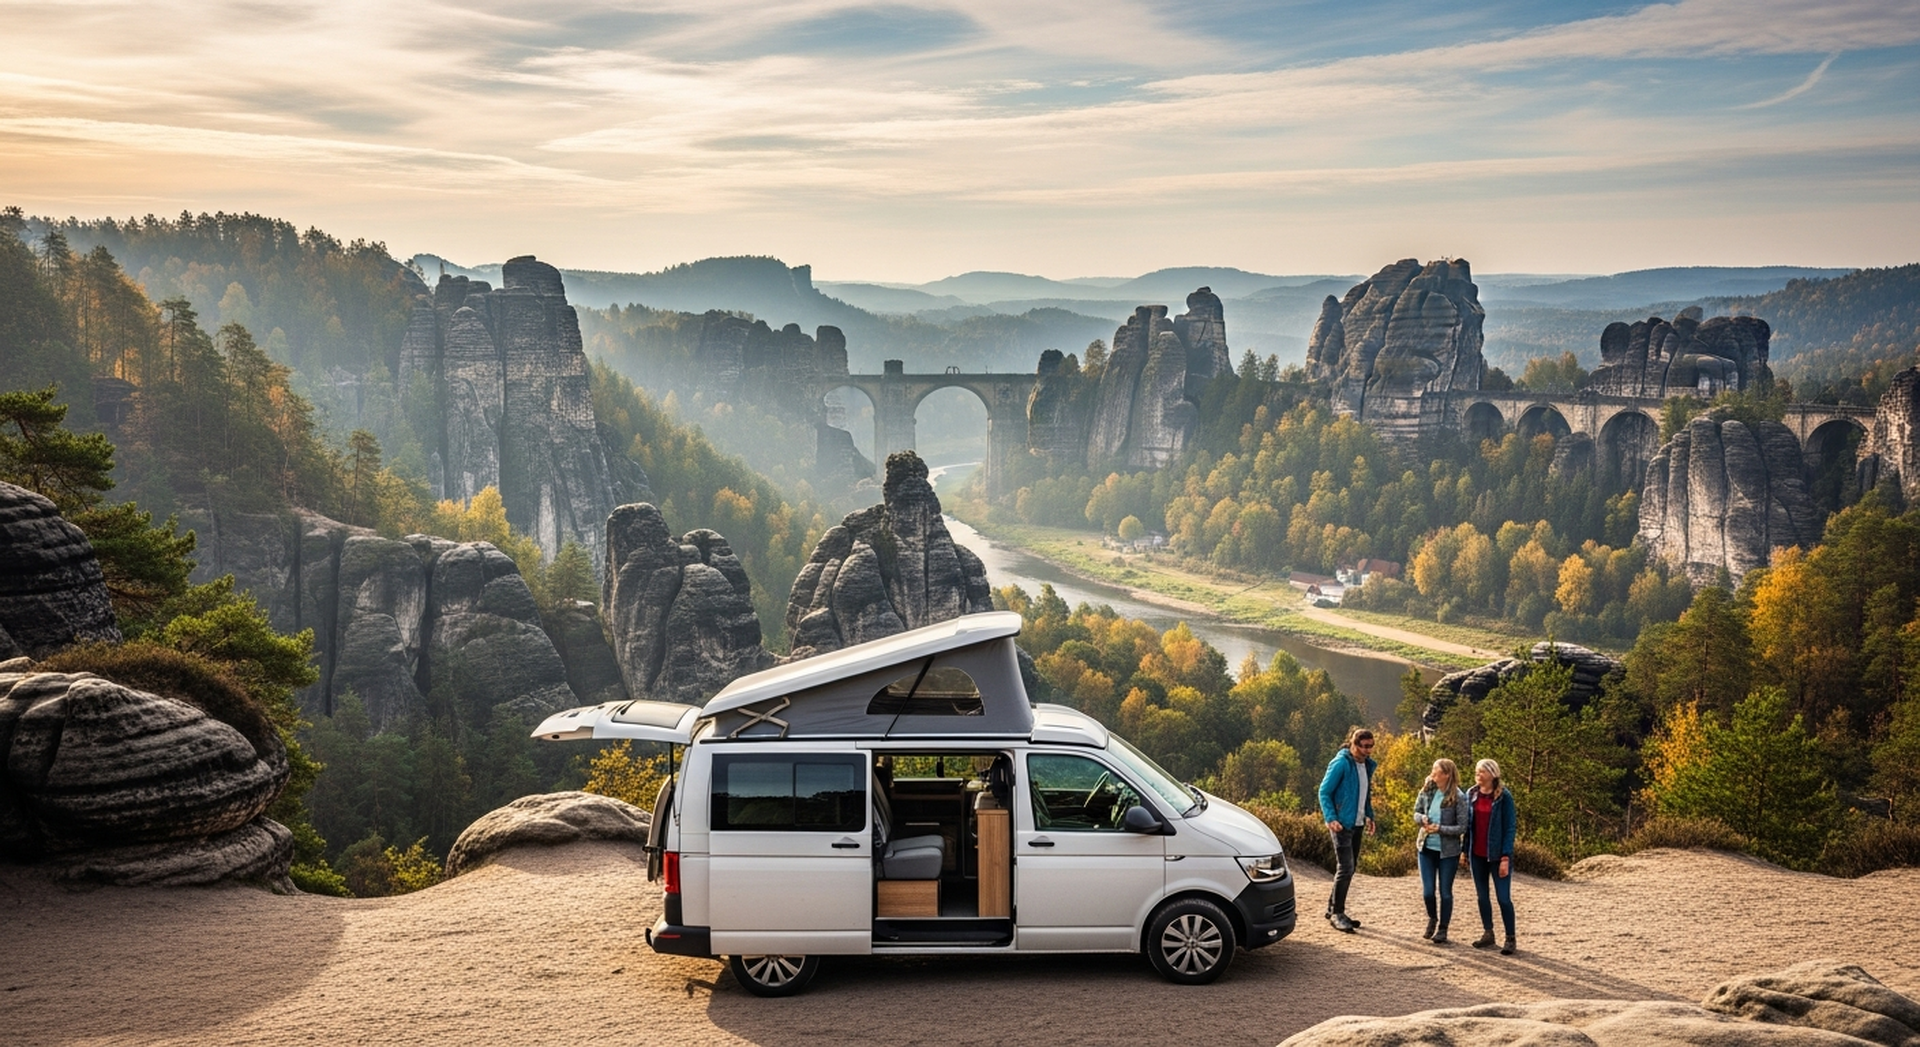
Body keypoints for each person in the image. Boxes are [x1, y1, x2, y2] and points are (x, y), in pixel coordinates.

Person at [1317, 727, 1377, 933]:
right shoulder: (1341, 763)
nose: (1368, 750)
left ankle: (1332, 909)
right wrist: (1331, 818)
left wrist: (1369, 815)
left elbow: (1365, 794)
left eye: (1371, 746)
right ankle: (1337, 913)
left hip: (1357, 822)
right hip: (1341, 823)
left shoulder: (1367, 765)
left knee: (1350, 867)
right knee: (1346, 868)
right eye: (1365, 746)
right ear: (1354, 744)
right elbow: (1324, 792)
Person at [1465, 757, 1518, 955]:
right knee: (1482, 897)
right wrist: (1464, 850)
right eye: (1477, 771)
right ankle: (1488, 933)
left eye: (1482, 771)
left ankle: (1510, 938)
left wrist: (1505, 857)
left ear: (1492, 774)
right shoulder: (1471, 794)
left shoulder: (1504, 796)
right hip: (1476, 854)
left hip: (1498, 856)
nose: (1478, 774)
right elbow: (1468, 825)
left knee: (1503, 898)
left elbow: (1510, 828)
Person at [1413, 758, 1467, 944]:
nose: (1432, 774)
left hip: (1448, 853)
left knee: (1445, 892)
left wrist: (1440, 829)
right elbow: (1416, 812)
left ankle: (1443, 929)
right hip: (1426, 848)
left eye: (1436, 771)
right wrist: (1422, 819)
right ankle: (1432, 918)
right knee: (1428, 892)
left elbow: (1462, 827)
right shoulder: (1428, 789)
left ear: (1446, 775)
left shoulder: (1459, 797)